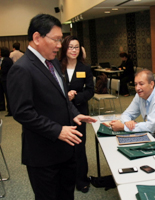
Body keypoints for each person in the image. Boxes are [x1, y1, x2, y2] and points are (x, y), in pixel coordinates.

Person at [7, 14, 97, 200]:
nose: (59, 45)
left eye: (60, 40)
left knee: (66, 195)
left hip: (66, 150)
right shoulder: (22, 68)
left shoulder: (54, 62)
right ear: (37, 38)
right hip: (43, 155)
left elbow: (63, 96)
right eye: (56, 40)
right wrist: (57, 131)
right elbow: (22, 112)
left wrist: (74, 113)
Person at [59, 35, 94, 193]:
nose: (74, 50)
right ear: (65, 48)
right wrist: (67, 93)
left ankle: (81, 179)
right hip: (60, 112)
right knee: (63, 145)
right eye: (71, 47)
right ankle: (66, 178)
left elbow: (90, 90)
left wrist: (76, 96)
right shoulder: (57, 66)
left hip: (80, 111)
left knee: (79, 146)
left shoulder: (84, 68)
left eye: (77, 47)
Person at [109, 69, 155, 142]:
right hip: (154, 134)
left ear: (151, 84)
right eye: (136, 84)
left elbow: (150, 127)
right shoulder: (139, 96)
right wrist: (127, 122)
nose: (137, 88)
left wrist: (123, 127)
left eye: (141, 84)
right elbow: (127, 114)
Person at [0, 47, 13, 116]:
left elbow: (4, 71)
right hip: (7, 79)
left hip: (5, 80)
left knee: (7, 96)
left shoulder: (5, 60)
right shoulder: (9, 59)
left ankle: (10, 110)